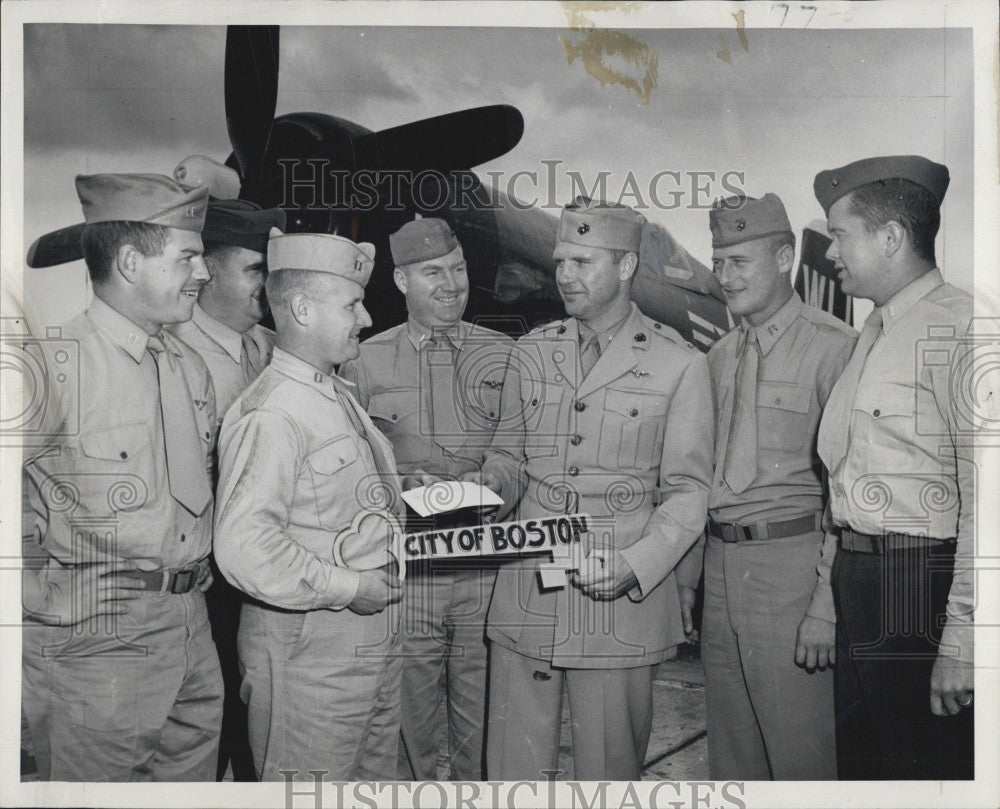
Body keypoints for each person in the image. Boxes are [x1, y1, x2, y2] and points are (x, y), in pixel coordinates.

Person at [480, 197, 714, 780]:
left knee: (608, 773)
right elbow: (508, 457)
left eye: (583, 262)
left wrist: (638, 564)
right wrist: (486, 489)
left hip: (617, 609)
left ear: (627, 267)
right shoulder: (531, 352)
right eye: (561, 261)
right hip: (527, 596)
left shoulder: (679, 366)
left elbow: (688, 490)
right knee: (513, 772)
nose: (564, 275)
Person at [20, 172, 222, 781]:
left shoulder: (189, 366)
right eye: (188, 256)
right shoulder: (49, 368)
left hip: (192, 624)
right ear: (131, 262)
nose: (205, 273)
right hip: (97, 642)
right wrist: (40, 597)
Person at [213, 228, 406, 781]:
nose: (366, 318)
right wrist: (352, 587)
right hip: (308, 659)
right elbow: (245, 547)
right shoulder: (273, 413)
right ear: (301, 308)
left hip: (364, 649)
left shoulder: (335, 394)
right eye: (352, 304)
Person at [674, 194, 856, 779]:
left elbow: (847, 495)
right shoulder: (718, 357)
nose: (724, 278)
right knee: (733, 762)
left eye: (740, 263)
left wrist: (826, 606)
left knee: (803, 759)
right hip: (722, 573)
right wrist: (689, 584)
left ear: (784, 257)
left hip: (793, 572)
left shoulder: (836, 348)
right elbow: (700, 479)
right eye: (718, 262)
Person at [815, 155, 979, 779]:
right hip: (859, 576)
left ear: (890, 237)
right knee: (862, 768)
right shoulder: (874, 331)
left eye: (839, 234)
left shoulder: (963, 326)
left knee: (921, 770)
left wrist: (964, 640)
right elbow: (843, 481)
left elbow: (986, 500)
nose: (831, 251)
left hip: (919, 581)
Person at [340, 218, 514, 780]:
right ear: (400, 281)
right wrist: (398, 495)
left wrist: (481, 493)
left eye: (459, 269)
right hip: (408, 575)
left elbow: (518, 454)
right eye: (433, 272)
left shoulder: (506, 357)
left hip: (484, 569)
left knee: (485, 722)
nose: (451, 283)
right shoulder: (362, 363)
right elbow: (352, 471)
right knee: (404, 726)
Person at [170, 197, 284, 781]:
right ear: (208, 270)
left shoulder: (273, 349)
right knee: (204, 737)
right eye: (257, 268)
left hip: (266, 573)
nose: (271, 283)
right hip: (205, 579)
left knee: (258, 724)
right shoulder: (173, 352)